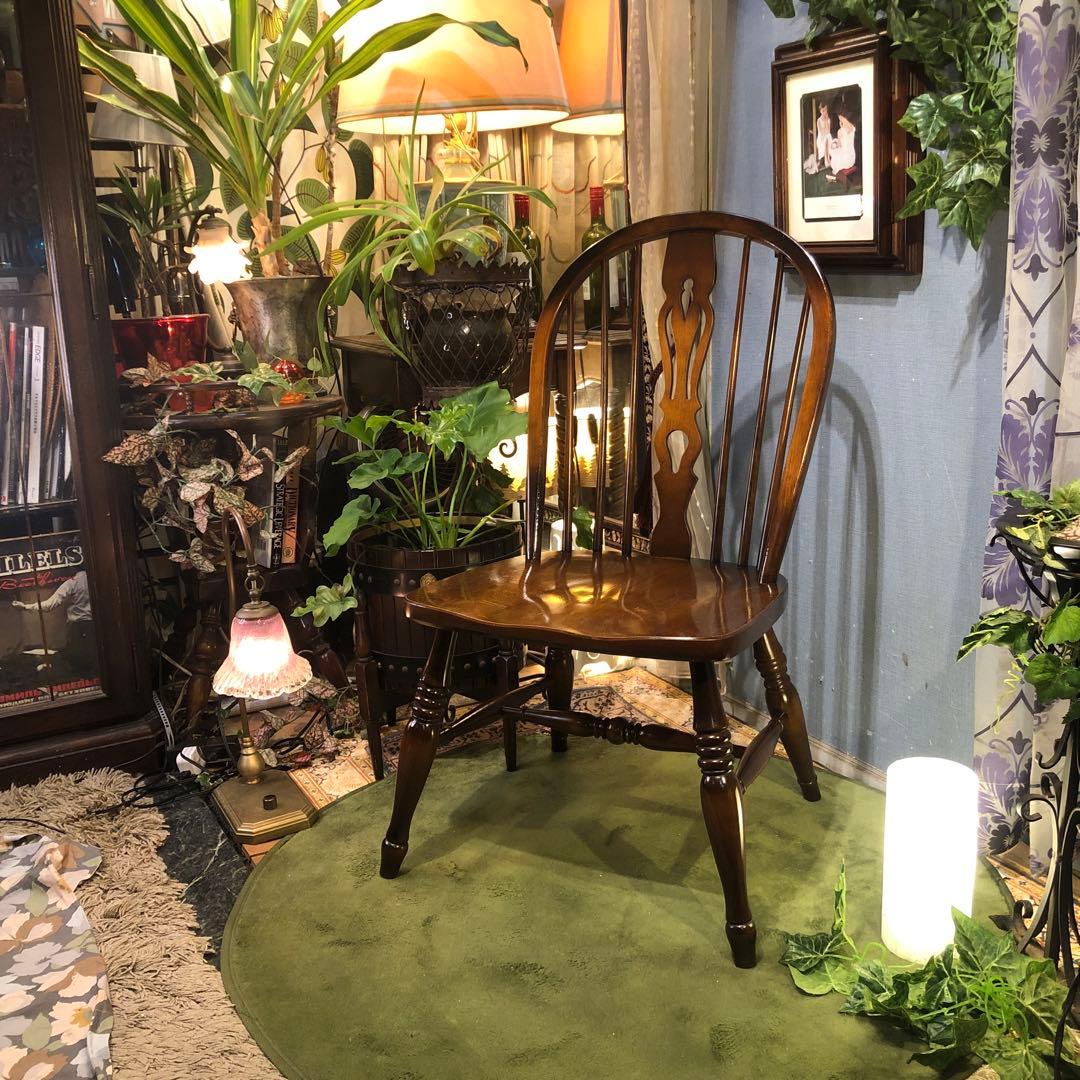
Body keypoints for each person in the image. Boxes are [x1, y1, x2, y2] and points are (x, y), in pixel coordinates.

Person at [11, 570, 96, 674]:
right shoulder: (97, 579)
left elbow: (50, 604)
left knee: (79, 663)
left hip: (78, 628)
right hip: (97, 626)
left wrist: (25, 607)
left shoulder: (73, 583)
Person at [828, 112, 858, 187]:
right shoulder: (852, 127)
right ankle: (836, 178)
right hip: (852, 158)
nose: (839, 120)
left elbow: (840, 145)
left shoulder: (840, 131)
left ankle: (840, 179)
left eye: (840, 118)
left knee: (833, 155)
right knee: (835, 153)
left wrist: (834, 143)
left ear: (842, 118)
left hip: (845, 159)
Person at [815, 102, 832, 170]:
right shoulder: (819, 120)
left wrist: (826, 120)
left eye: (826, 110)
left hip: (827, 136)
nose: (825, 112)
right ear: (820, 111)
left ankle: (827, 158)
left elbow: (828, 130)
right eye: (823, 110)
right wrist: (825, 122)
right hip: (821, 138)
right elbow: (821, 132)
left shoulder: (828, 119)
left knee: (828, 137)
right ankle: (826, 159)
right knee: (826, 139)